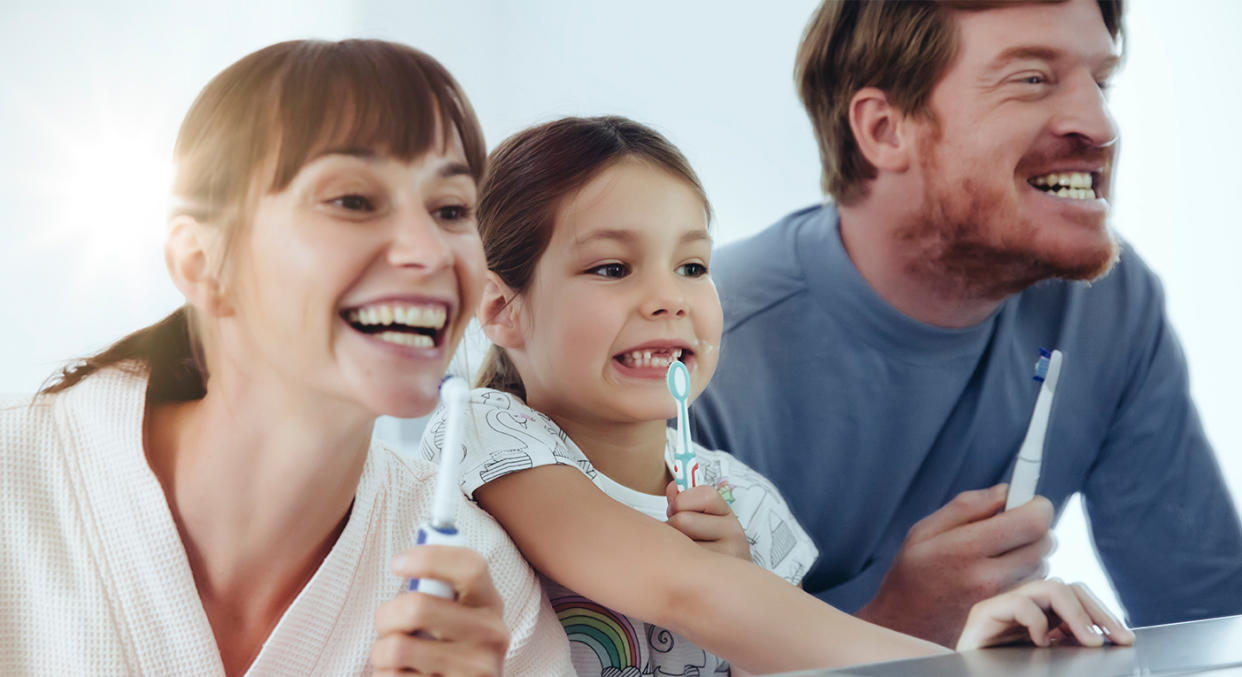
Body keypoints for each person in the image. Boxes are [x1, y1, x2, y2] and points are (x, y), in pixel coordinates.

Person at [421, 114, 1132, 675]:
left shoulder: (747, 504)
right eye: (613, 266)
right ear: (500, 309)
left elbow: (786, 653)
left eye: (692, 264)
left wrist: (971, 649)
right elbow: (682, 590)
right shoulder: (487, 437)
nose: (669, 298)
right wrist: (948, 672)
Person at [0, 39, 574, 676]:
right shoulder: (15, 482)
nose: (430, 251)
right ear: (202, 263)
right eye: (353, 200)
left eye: (451, 210)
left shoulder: (483, 592)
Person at [691, 0, 1242, 647]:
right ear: (885, 128)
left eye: (1101, 81)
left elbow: (1210, 620)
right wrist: (897, 626)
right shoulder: (694, 352)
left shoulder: (1107, 309)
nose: (1099, 125)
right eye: (1032, 79)